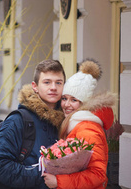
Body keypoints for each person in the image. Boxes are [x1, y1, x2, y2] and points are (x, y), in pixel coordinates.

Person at [0, 59, 66, 188]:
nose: (53, 87)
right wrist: (41, 174)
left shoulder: (65, 121)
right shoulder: (19, 121)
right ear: (35, 86)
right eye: (47, 82)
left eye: (58, 82)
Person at [42, 59, 117, 189]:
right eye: (64, 98)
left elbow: (98, 174)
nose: (66, 104)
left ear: (84, 103)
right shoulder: (75, 124)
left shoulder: (87, 129)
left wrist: (58, 181)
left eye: (74, 100)